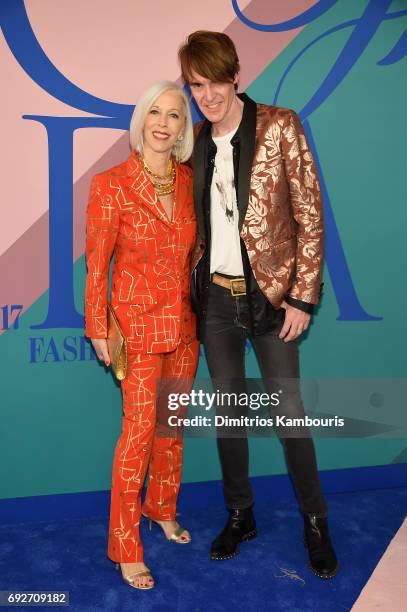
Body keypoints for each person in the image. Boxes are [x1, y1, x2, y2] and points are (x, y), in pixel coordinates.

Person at [178, 31, 338, 578]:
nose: (206, 94)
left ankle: (315, 521)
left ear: (235, 74)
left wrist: (302, 297)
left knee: (290, 415)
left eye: (214, 81)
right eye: (196, 85)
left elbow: (310, 215)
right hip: (218, 300)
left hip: (274, 299)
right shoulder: (195, 140)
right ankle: (241, 514)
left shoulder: (279, 124)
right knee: (229, 414)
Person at [84, 81, 199, 590]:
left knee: (171, 430)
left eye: (174, 115)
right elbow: (97, 266)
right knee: (136, 436)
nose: (163, 122)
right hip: (136, 327)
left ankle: (162, 508)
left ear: (182, 129)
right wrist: (97, 326)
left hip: (186, 328)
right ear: (141, 120)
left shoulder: (190, 180)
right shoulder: (110, 184)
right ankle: (126, 544)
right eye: (155, 112)